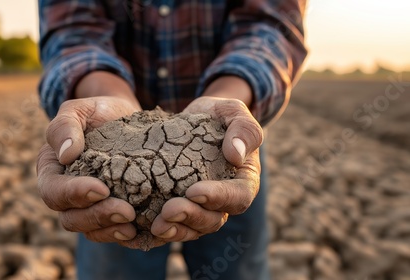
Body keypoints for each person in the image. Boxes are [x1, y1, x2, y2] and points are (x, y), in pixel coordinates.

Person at [36, 0, 307, 279]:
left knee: (237, 269)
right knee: (115, 238)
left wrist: (230, 98)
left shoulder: (223, 142)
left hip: (225, 147)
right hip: (114, 179)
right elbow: (72, 30)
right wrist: (106, 93)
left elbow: (271, 24)